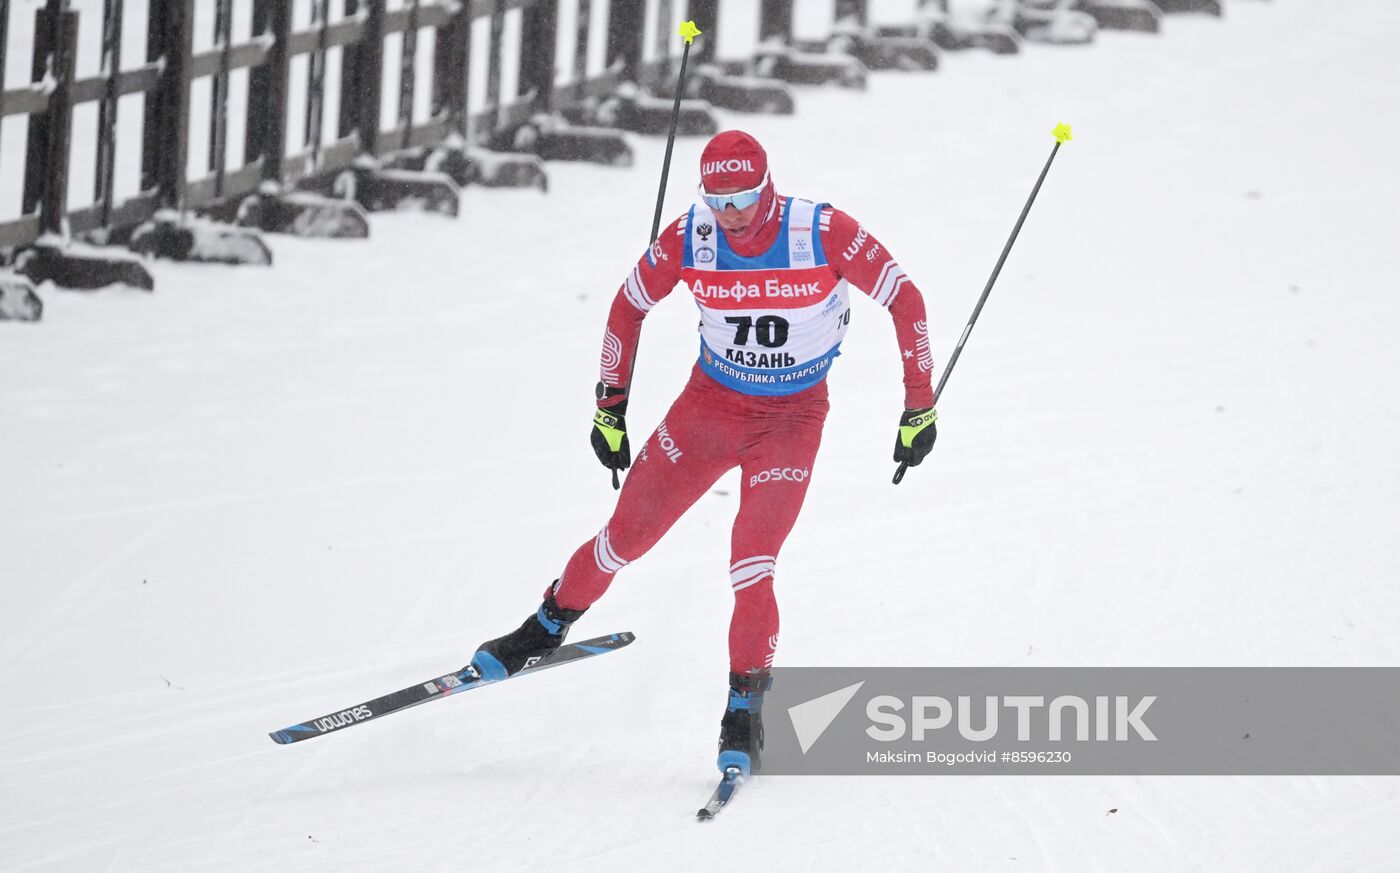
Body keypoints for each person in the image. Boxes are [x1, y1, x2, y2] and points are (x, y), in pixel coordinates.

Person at [468, 130, 938, 776]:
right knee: (624, 537)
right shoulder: (693, 234)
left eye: (744, 197)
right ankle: (546, 626)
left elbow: (904, 299)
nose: (733, 213)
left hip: (792, 419)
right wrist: (610, 406)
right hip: (709, 407)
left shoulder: (820, 230)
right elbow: (628, 306)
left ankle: (743, 708)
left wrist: (919, 404)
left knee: (752, 560)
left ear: (767, 185)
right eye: (718, 199)